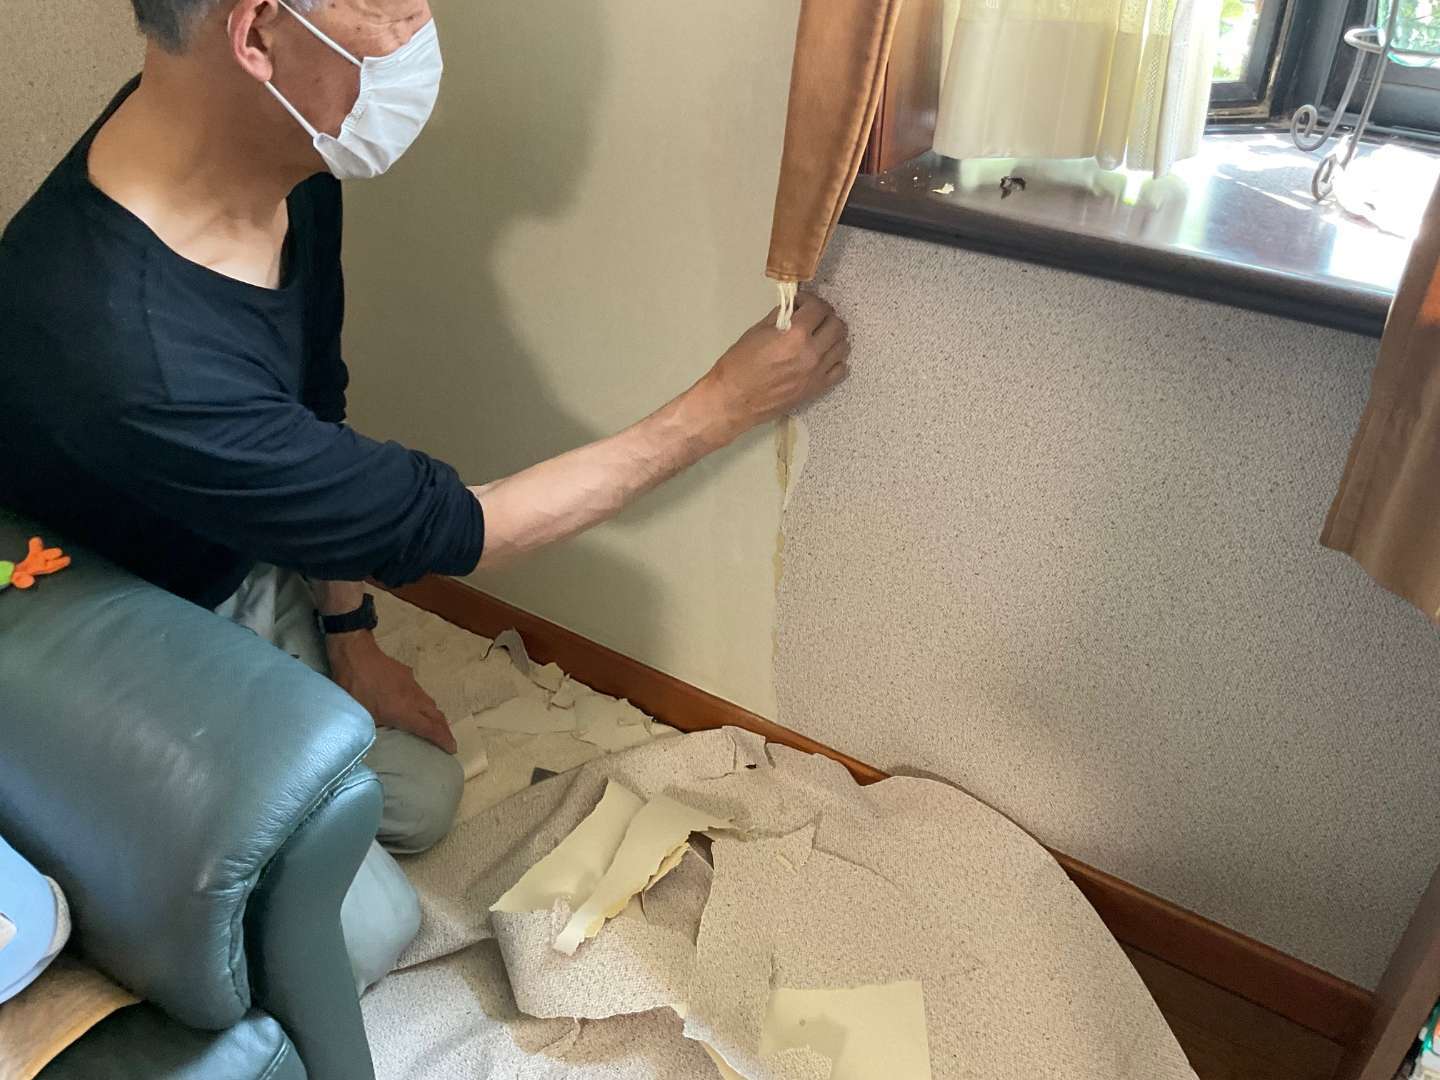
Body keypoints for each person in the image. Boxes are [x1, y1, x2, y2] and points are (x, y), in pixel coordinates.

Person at [0, 0, 850, 991]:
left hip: (212, 552)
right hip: (82, 622)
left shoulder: (276, 154)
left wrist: (350, 632)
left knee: (421, 795)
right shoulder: (127, 344)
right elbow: (469, 528)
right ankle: (60, 824)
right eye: (392, 10)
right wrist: (725, 404)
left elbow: (314, 404)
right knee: (365, 932)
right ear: (259, 34)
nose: (422, 37)